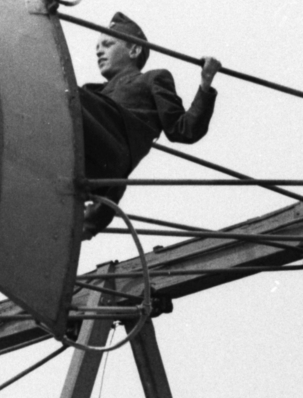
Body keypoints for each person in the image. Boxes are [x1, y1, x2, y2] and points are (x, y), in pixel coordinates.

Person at [80, 12, 221, 238]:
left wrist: (205, 82)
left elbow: (183, 129)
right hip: (90, 153)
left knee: (67, 94)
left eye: (107, 44)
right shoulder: (93, 91)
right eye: (98, 46)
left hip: (115, 138)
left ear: (134, 50)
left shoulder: (153, 78)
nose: (99, 51)